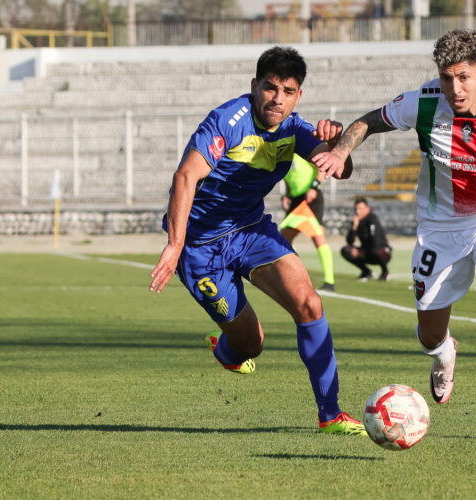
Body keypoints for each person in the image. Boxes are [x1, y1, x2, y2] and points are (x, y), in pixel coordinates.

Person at [313, 29, 476, 442]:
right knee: (430, 334)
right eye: (448, 77)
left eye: (465, 77)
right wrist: (342, 151)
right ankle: (445, 354)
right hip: (439, 228)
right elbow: (367, 122)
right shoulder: (424, 101)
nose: (456, 87)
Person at [148, 46, 365, 436]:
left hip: (250, 231)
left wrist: (338, 148)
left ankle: (330, 414)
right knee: (252, 344)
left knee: (309, 303)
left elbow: (340, 170)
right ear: (255, 86)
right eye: (270, 87)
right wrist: (176, 244)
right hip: (199, 248)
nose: (277, 98)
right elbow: (185, 178)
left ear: (299, 96)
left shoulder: (295, 129)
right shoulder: (227, 120)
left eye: (288, 91)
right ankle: (228, 350)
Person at [278, 154, 335, 291]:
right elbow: (288, 177)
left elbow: (321, 169)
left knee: (318, 237)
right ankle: (293, 275)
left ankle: (329, 281)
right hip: (296, 200)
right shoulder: (281, 154)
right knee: (284, 238)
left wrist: (314, 187)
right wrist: (287, 195)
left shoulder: (302, 151)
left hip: (311, 198)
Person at [340, 197, 392, 281]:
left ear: (367, 209)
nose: (357, 211)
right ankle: (366, 272)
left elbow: (375, 240)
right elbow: (350, 242)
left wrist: (363, 251)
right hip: (367, 251)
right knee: (346, 250)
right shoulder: (357, 221)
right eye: (356, 209)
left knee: (375, 250)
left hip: (382, 251)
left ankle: (385, 272)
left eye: (360, 208)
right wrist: (354, 227)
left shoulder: (372, 219)